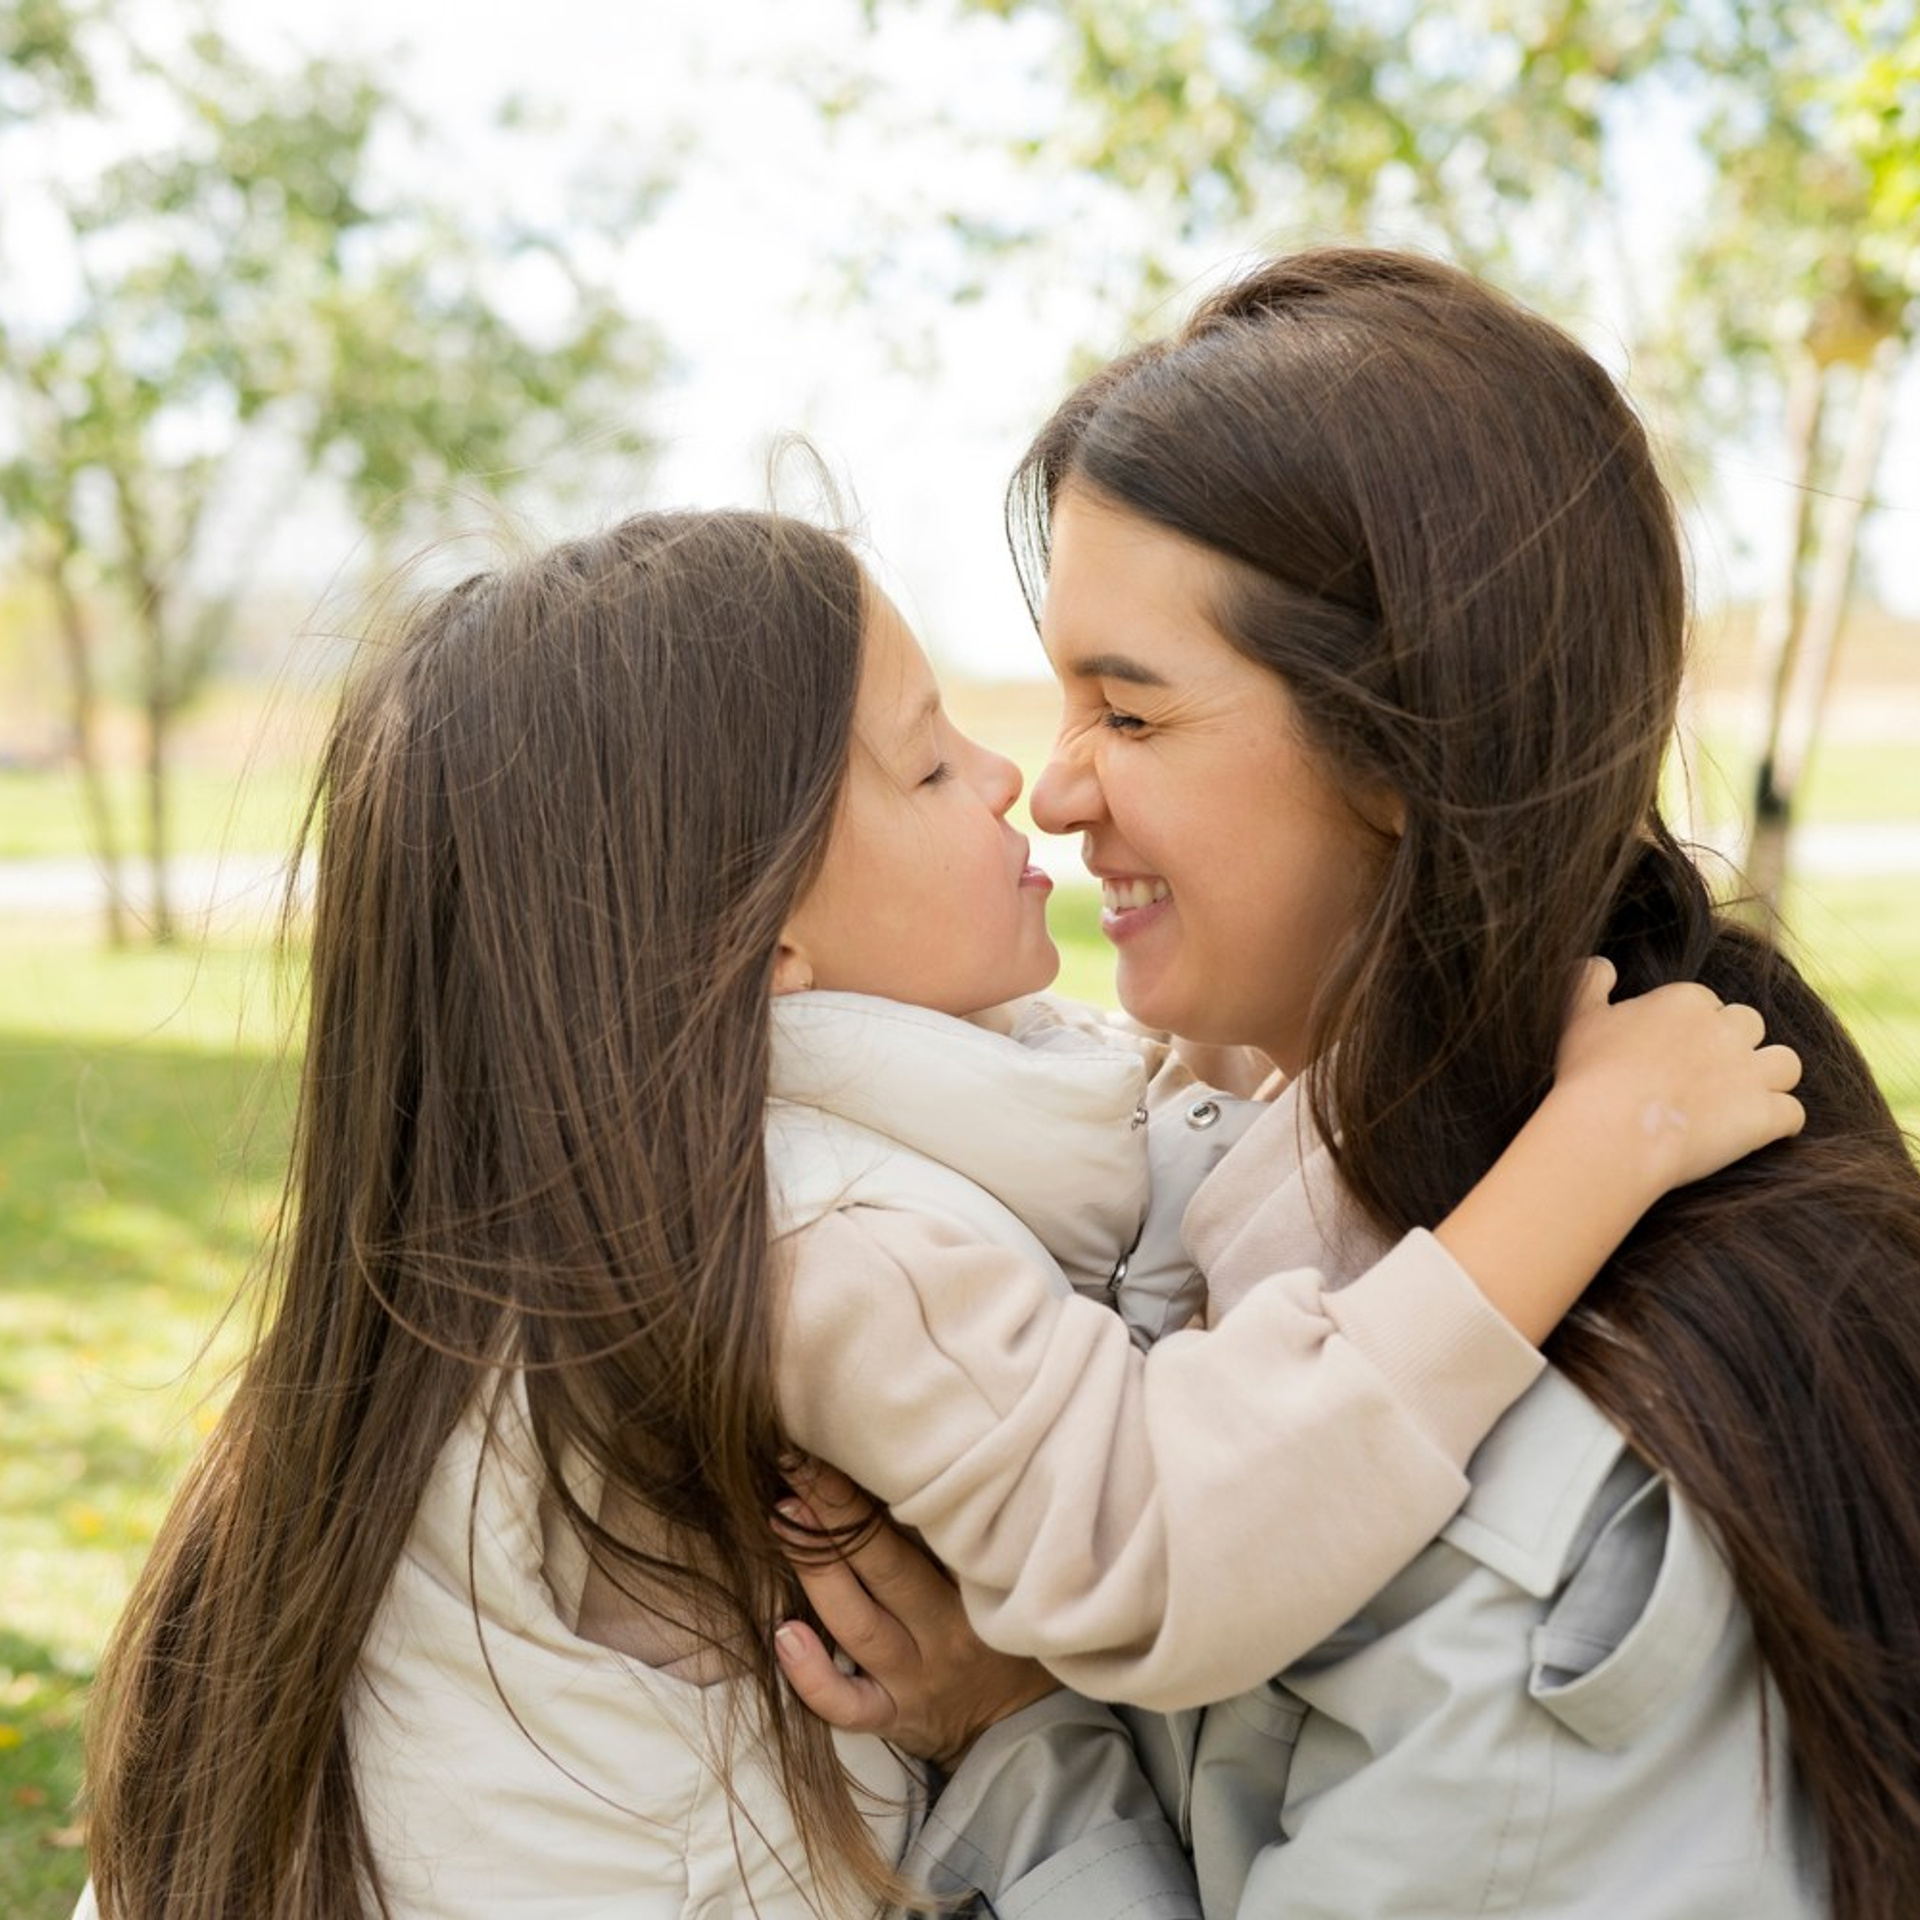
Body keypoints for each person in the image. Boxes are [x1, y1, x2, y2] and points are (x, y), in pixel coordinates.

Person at [77, 504, 1796, 1920]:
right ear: (755, 942)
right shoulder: (824, 1248)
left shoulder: (638, 1200)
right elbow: (1169, 1540)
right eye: (919, 772)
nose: (1013, 782)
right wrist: (1595, 1148)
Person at [781, 247, 1920, 1919]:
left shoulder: (1544, 1553)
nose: (1055, 789)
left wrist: (1020, 1746)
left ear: (1400, 755)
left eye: (1135, 715)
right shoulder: (1236, 1169)